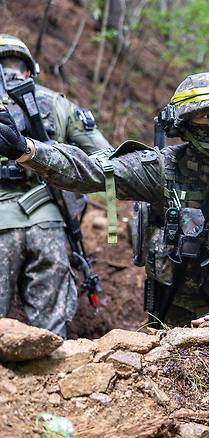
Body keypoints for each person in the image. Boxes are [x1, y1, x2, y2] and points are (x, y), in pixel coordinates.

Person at [0, 71, 209, 327]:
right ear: (185, 123)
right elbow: (91, 170)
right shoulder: (163, 168)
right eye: (206, 116)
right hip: (175, 308)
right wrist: (26, 149)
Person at [0, 34, 111, 338]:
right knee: (50, 335)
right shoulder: (57, 103)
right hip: (48, 221)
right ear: (29, 69)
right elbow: (108, 158)